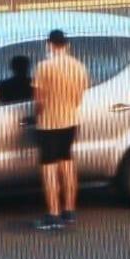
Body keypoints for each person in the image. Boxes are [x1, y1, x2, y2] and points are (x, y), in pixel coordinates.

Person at [32, 29, 90, 231]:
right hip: (70, 121)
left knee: (49, 167)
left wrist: (37, 115)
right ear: (67, 45)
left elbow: (38, 100)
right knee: (67, 163)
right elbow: (80, 97)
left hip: (48, 123)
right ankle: (70, 210)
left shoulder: (43, 67)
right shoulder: (79, 67)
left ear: (49, 44)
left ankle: (53, 213)